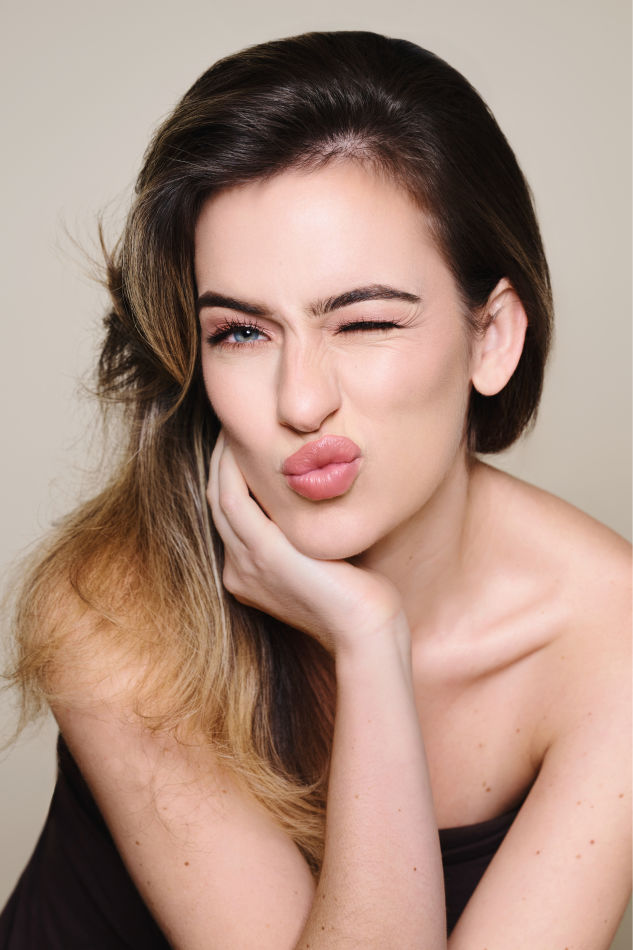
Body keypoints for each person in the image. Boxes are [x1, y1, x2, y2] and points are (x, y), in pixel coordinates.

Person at [1, 29, 630, 949]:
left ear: (491, 338)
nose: (300, 402)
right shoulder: (116, 606)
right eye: (241, 333)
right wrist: (370, 644)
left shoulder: (611, 636)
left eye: (364, 322)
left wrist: (364, 646)